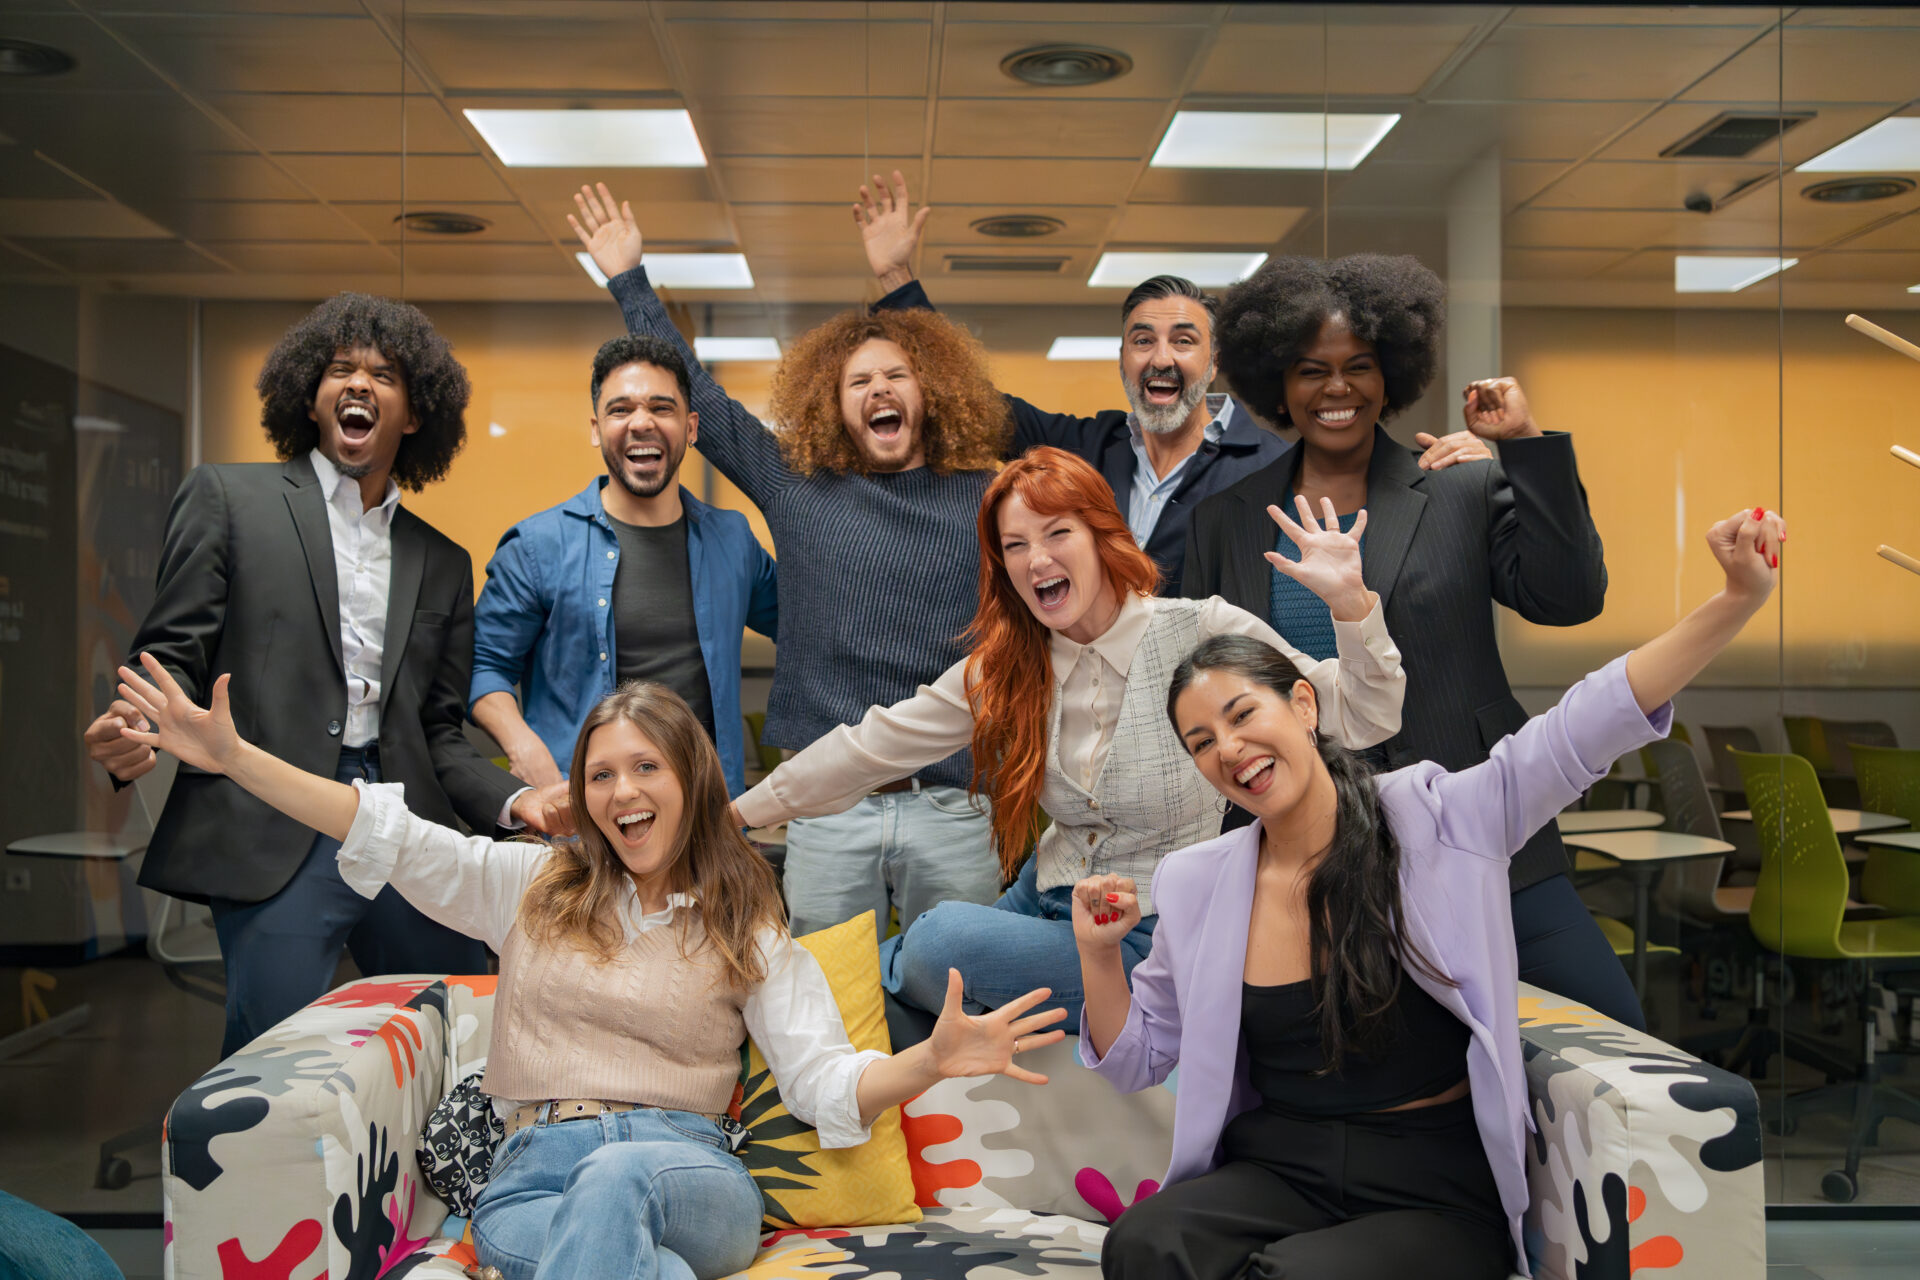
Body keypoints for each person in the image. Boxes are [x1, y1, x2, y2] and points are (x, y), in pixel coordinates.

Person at [114, 661, 1067, 1280]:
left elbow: (825, 1085)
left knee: (617, 1183)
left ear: (691, 780)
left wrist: (931, 1062)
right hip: (527, 1184)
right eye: (602, 775)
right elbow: (384, 833)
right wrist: (233, 759)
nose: (622, 793)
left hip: (690, 1175)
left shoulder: (746, 922)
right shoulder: (528, 883)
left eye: (646, 768)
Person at [1080, 506, 1786, 1280]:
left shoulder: (1440, 819)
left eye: (1243, 714)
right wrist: (1100, 955)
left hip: (1430, 1183)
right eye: (1201, 743)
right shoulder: (1197, 881)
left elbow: (1584, 726)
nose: (1230, 750)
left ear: (1306, 707)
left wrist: (1736, 600)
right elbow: (1135, 1060)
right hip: (1280, 1165)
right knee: (1143, 1244)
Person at [730, 446, 1405, 1034]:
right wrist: (738, 815)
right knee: (843, 978)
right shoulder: (1008, 664)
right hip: (1045, 894)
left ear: (1102, 536)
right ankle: (864, 991)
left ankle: (875, 981)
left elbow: (1361, 717)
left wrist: (1350, 605)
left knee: (935, 942)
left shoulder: (1200, 632)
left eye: (1057, 533)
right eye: (1015, 545)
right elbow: (870, 746)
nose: (1037, 559)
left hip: (1157, 926)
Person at [80, 294, 562, 1057]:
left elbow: (439, 731)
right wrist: (133, 728)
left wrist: (520, 800)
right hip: (276, 819)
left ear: (414, 414)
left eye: (384, 374)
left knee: (462, 1035)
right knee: (274, 1065)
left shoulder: (441, 560)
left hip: (408, 824)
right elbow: (169, 654)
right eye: (341, 369)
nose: (360, 384)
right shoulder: (230, 501)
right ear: (310, 396)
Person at [1183, 253, 1639, 1026]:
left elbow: (1570, 598)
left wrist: (1524, 445)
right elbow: (1207, 685)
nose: (1336, 388)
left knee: (1610, 1035)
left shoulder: (1460, 486)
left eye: (1358, 365)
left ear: (1391, 374)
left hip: (1483, 834)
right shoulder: (1226, 519)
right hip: (1312, 857)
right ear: (1276, 387)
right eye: (1309, 370)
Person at [570, 182, 1010, 942]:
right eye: (859, 382)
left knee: (961, 987)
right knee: (827, 1001)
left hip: (955, 801)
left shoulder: (989, 497)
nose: (880, 391)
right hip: (827, 801)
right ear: (832, 405)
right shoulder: (798, 488)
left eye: (897, 377)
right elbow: (697, 393)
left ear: (929, 393)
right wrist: (629, 281)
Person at [851, 171, 1493, 593]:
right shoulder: (1084, 450)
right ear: (1123, 361)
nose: (1161, 357)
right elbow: (974, 401)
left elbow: (1366, 488)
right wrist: (895, 282)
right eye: (1142, 340)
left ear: (1212, 364)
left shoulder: (1273, 464)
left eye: (1184, 341)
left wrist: (1449, 463)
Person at [470, 334, 777, 798]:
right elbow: (485, 665)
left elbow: (805, 627)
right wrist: (525, 750)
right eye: (620, 409)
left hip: (708, 820)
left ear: (691, 427)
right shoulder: (537, 546)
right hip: (583, 823)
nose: (641, 423)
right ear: (596, 429)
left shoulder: (732, 540)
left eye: (661, 407)